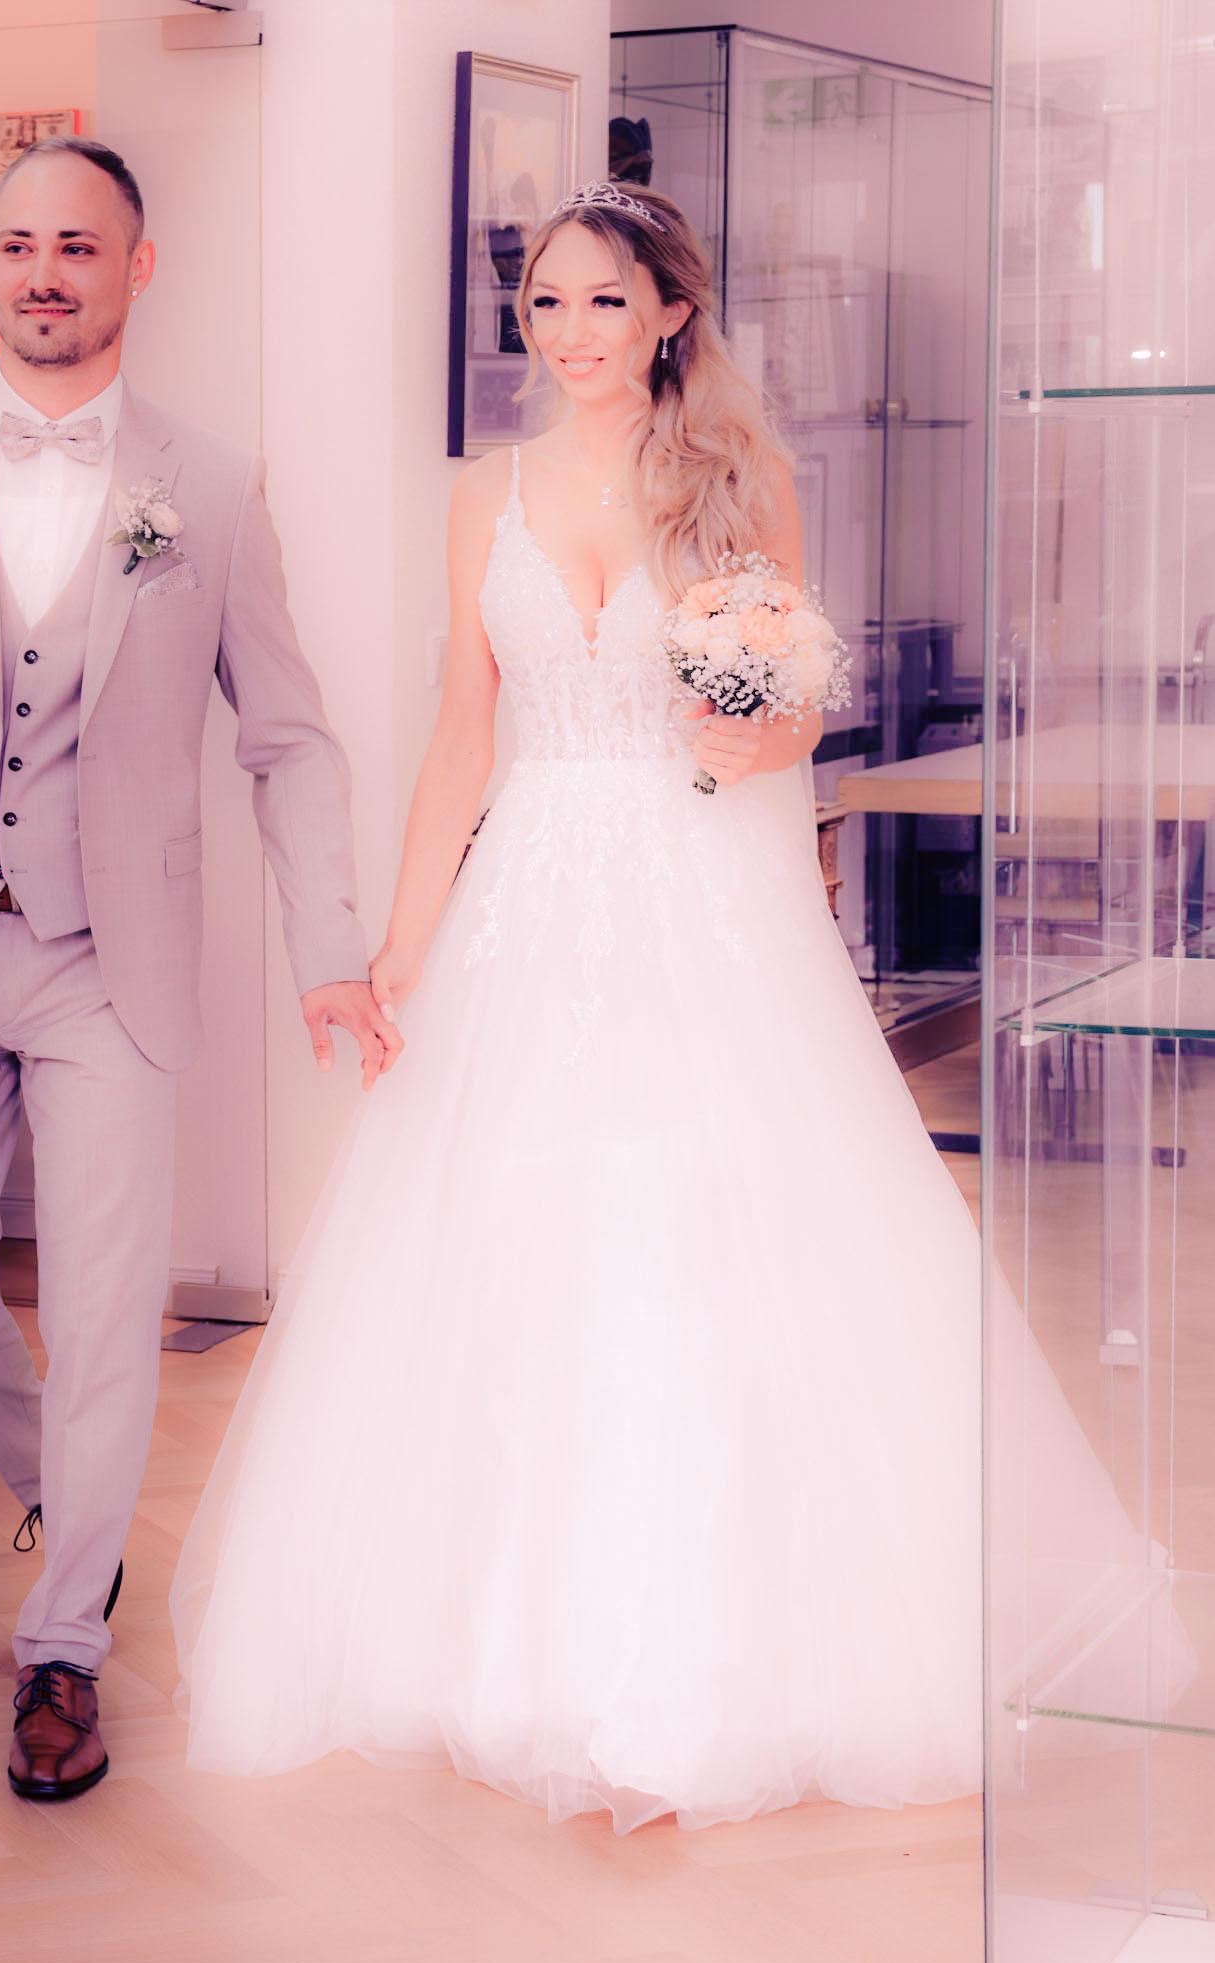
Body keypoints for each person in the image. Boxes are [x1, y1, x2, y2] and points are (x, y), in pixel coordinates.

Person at [169, 181, 990, 1831]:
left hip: (706, 890)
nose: (571, 332)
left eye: (605, 299)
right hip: (533, 896)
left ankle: (709, 1654)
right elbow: (462, 736)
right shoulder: (487, 494)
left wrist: (757, 732)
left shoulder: (745, 478)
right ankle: (508, 1644)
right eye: (546, 301)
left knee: (697, 1226)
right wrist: (401, 943)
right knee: (523, 1228)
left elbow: (793, 711)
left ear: (672, 310)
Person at [0, 136, 398, 1803]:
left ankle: (64, 1650)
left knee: (111, 1311)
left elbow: (291, 741)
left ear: (137, 267)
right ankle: (76, 1499)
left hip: (110, 960)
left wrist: (329, 948)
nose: (45, 272)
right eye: (21, 245)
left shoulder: (213, 486)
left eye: (79, 245)